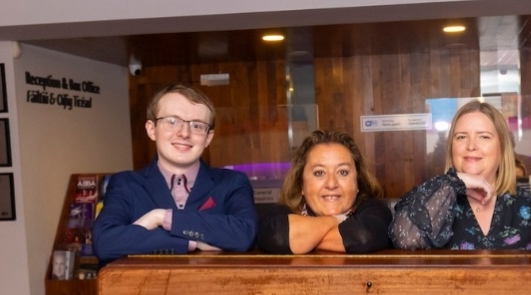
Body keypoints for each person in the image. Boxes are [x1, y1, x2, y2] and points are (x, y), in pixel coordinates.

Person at [92, 83, 258, 264]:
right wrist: (190, 242)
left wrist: (161, 217)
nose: (184, 133)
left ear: (208, 137)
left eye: (197, 125)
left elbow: (244, 235)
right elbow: (105, 243)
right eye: (172, 121)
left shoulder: (233, 182)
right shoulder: (125, 184)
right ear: (151, 129)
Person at [389, 100, 531, 250]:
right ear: (452, 149)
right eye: (461, 137)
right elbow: (404, 237)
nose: (471, 146)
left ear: (502, 149)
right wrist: (454, 182)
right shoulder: (435, 205)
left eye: (484, 137)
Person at [257, 130, 391, 254]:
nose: (331, 184)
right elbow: (278, 236)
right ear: (301, 185)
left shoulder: (375, 211)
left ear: (358, 182)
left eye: (343, 172)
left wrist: (301, 238)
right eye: (319, 173)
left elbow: (363, 237)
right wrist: (337, 220)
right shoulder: (279, 215)